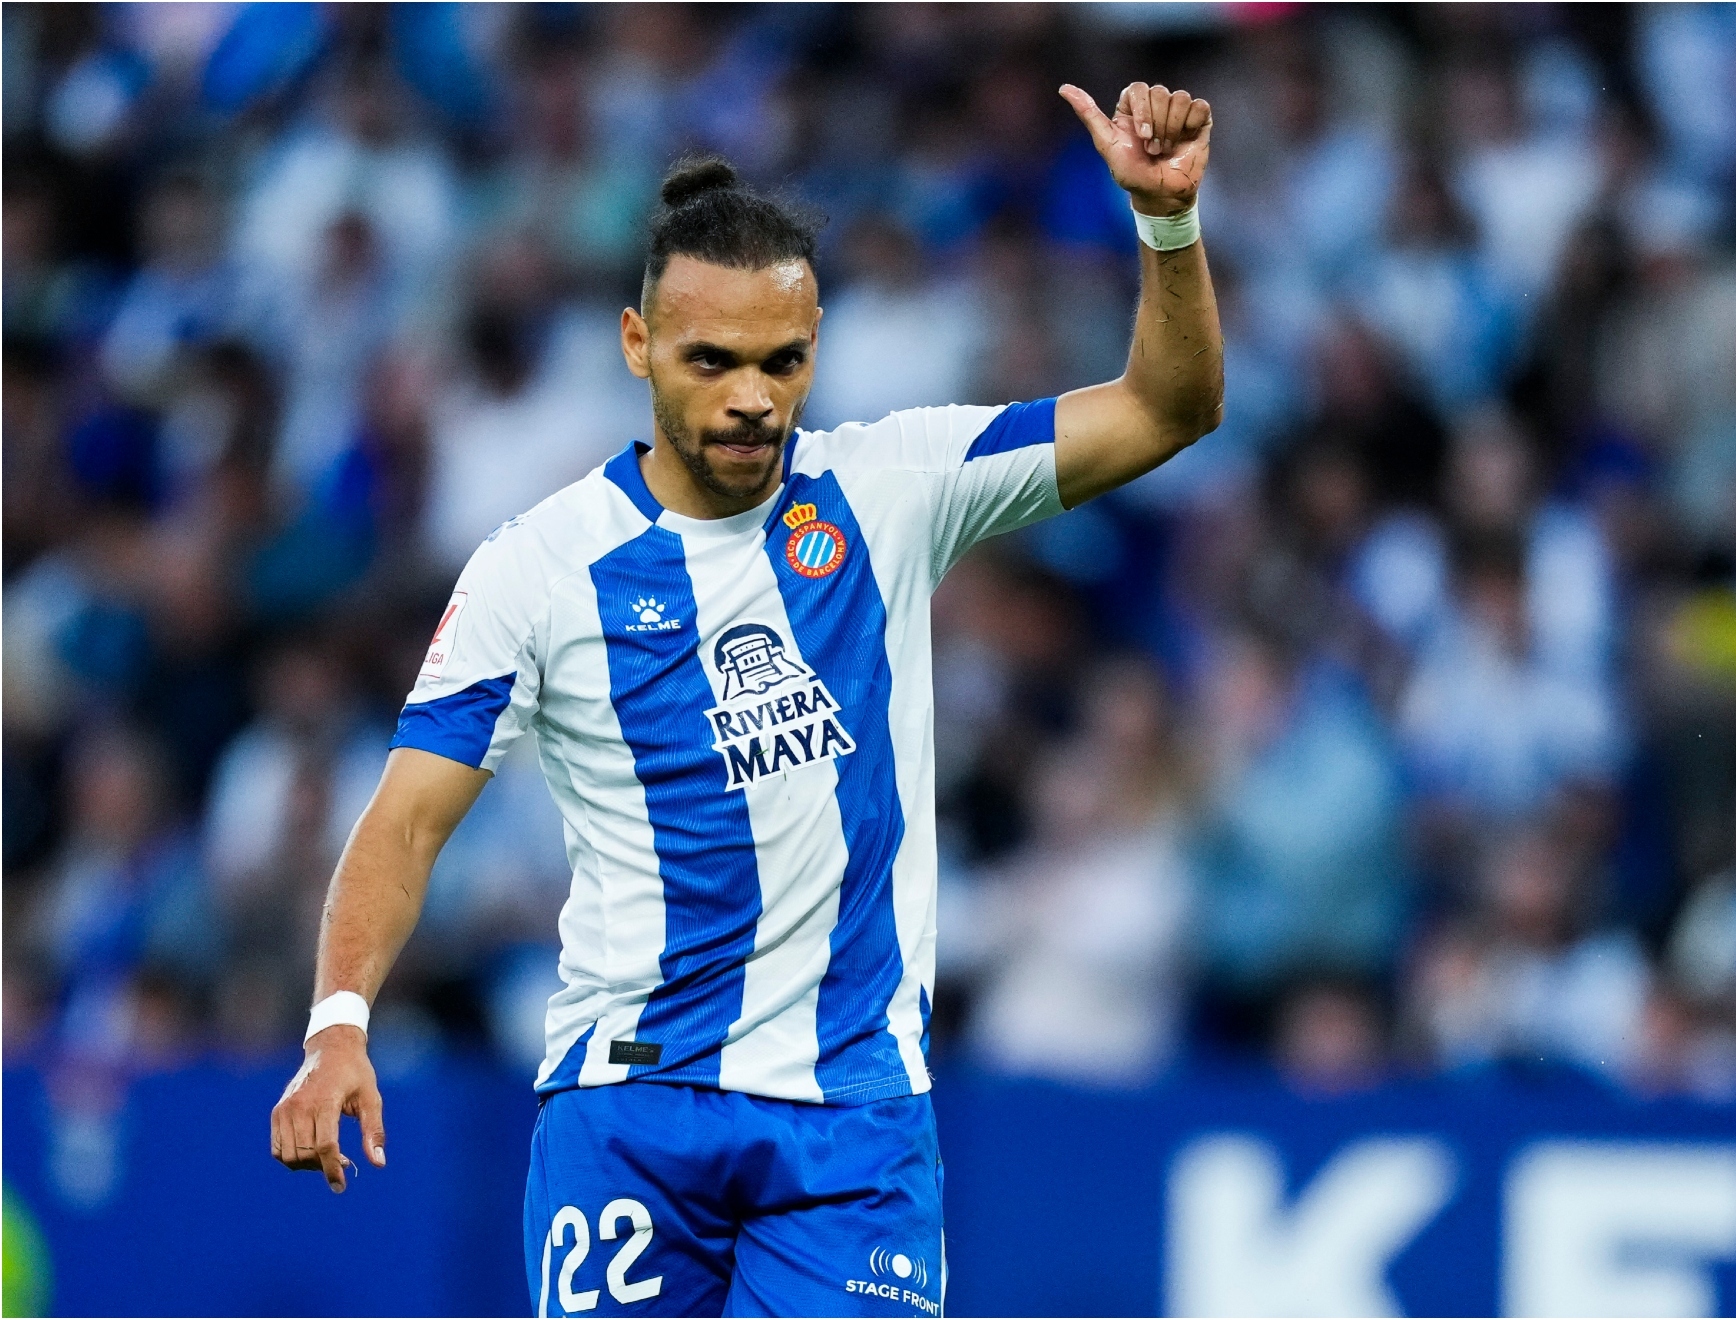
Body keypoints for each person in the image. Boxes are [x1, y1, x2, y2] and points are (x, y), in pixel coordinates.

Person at [269, 80, 1220, 1317]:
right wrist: (338, 1021)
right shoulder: (539, 569)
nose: (752, 399)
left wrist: (1166, 227)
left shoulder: (895, 489)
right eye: (710, 361)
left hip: (853, 1127)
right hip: (628, 1115)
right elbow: (403, 821)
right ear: (635, 344)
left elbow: (1170, 405)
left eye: (782, 363)